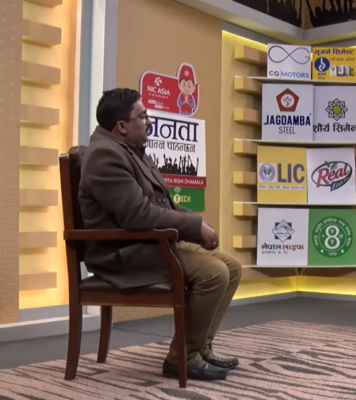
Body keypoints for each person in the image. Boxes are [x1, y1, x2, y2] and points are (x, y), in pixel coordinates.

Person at [78, 88, 241, 381]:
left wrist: (196, 225)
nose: (149, 121)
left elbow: (162, 203)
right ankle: (182, 358)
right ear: (122, 126)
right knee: (214, 273)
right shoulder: (105, 155)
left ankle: (200, 348)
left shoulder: (131, 149)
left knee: (232, 267)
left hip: (148, 245)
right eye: (142, 116)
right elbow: (138, 215)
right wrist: (192, 227)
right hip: (123, 254)